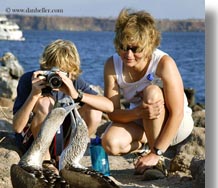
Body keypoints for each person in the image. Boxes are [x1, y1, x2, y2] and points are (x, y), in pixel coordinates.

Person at [101, 9, 194, 179]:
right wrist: (138, 113)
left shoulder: (164, 63)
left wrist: (156, 152)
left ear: (149, 45)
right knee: (110, 142)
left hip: (176, 126)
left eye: (135, 48)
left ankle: (157, 159)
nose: (128, 54)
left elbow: (178, 113)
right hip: (144, 121)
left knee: (151, 92)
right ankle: (147, 143)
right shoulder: (112, 65)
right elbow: (112, 113)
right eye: (123, 47)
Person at [13, 39, 113, 171]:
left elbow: (109, 107)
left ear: (71, 72)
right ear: (44, 68)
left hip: (61, 141)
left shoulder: (73, 81)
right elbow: (17, 128)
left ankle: (66, 156)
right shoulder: (30, 79)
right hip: (34, 143)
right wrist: (34, 95)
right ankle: (46, 160)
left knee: (94, 111)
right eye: (51, 71)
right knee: (45, 103)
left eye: (61, 73)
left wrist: (76, 95)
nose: (56, 78)